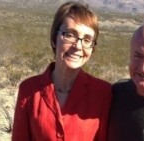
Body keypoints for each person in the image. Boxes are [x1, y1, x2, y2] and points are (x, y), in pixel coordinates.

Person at [12, 1, 112, 141]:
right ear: (54, 39)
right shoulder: (29, 90)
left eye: (87, 40)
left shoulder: (103, 93)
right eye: (70, 35)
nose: (78, 46)